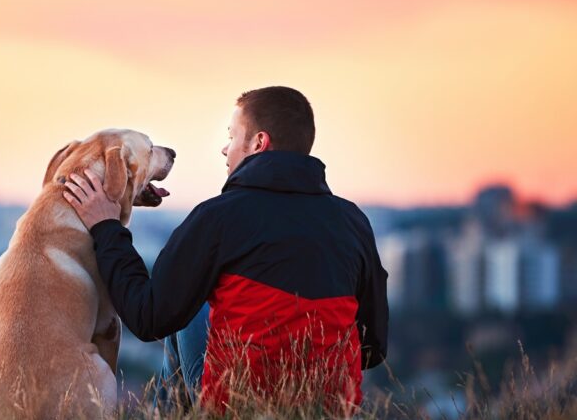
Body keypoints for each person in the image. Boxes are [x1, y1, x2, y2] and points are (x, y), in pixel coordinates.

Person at [63, 86, 389, 413]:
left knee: (186, 312)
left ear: (259, 143)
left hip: (237, 407)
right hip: (329, 409)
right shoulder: (353, 222)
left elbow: (147, 317)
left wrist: (107, 227)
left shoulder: (217, 217)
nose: (224, 148)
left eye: (232, 136)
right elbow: (373, 348)